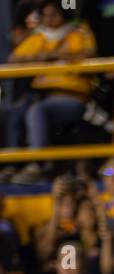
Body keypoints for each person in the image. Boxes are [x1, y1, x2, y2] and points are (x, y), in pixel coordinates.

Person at [0, 2, 97, 182]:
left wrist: (56, 56)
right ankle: (11, 166)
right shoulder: (40, 36)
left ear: (63, 15)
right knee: (12, 113)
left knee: (37, 111)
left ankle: (37, 165)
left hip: (72, 97)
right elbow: (13, 59)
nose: (49, 19)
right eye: (45, 15)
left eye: (54, 14)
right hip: (42, 95)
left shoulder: (79, 31)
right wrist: (36, 57)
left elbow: (89, 54)